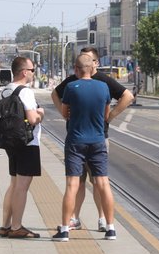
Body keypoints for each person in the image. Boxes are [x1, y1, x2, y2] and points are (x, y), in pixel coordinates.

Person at [51, 46, 133, 232]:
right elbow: (55, 93)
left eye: (87, 59)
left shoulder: (104, 81)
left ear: (95, 62)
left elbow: (127, 96)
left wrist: (111, 117)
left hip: (95, 138)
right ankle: (75, 218)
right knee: (80, 182)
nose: (84, 63)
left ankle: (102, 218)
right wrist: (65, 115)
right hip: (89, 139)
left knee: (97, 182)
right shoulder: (73, 81)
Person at [0, 57, 44, 239]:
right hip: (27, 142)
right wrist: (41, 114)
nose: (33, 72)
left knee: (14, 184)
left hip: (11, 142)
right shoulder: (25, 92)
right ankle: (16, 226)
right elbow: (32, 119)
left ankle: (5, 225)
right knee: (22, 186)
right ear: (24, 72)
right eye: (32, 69)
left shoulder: (5, 90)